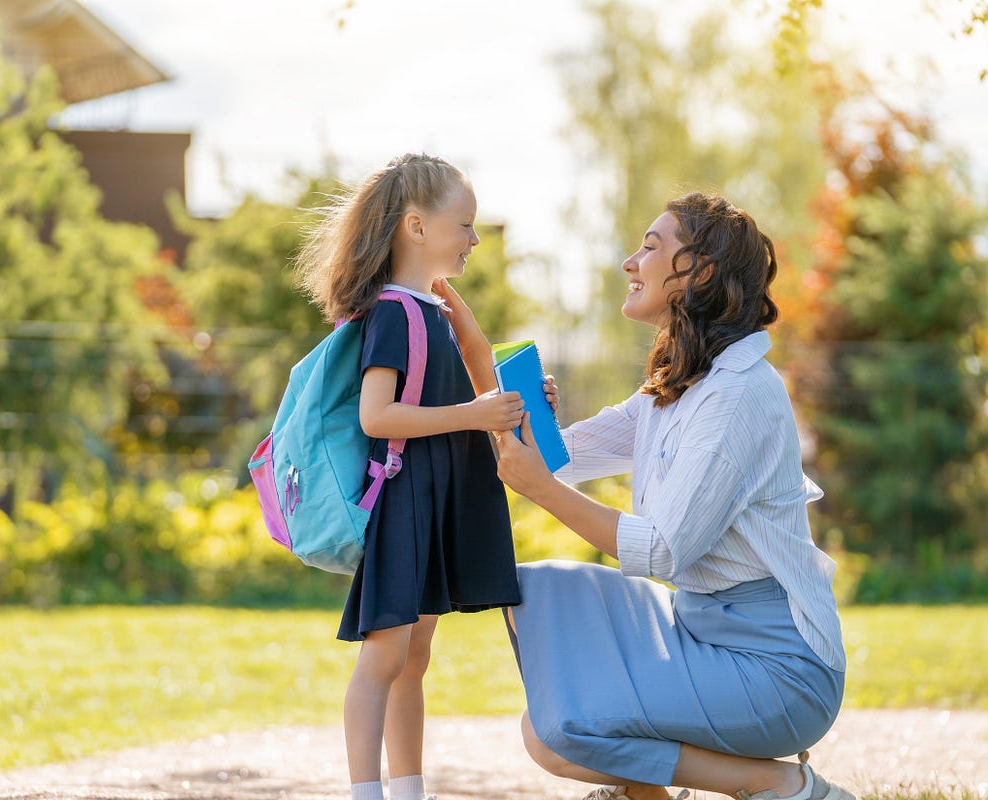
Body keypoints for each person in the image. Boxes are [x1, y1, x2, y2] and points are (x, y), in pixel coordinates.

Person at [434, 192, 856, 800]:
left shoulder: (737, 395)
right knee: (542, 636)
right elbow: (565, 458)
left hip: (778, 672)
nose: (630, 263)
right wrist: (526, 418)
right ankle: (648, 793)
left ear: (701, 272)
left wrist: (542, 488)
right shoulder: (681, 386)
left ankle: (778, 784)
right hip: (701, 631)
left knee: (562, 731)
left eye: (651, 248)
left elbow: (661, 552)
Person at [295, 152, 524, 800]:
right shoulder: (394, 313)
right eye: (466, 226)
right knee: (385, 657)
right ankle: (370, 792)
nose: (475, 239)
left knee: (413, 658)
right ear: (417, 227)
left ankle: (408, 790)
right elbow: (377, 415)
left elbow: (465, 393)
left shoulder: (436, 312)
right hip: (404, 503)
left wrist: (500, 403)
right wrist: (473, 413)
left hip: (434, 498)